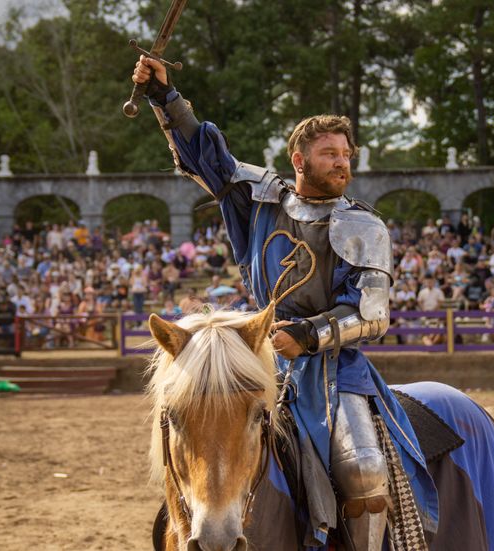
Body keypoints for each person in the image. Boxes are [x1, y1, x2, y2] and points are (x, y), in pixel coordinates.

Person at [132, 56, 433, 549]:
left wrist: (309, 334)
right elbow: (208, 157)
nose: (341, 163)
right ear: (300, 160)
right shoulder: (260, 200)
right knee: (204, 433)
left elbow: (373, 315)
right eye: (330, 153)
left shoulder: (365, 226)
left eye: (345, 155)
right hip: (260, 355)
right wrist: (164, 97)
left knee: (363, 468)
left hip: (335, 370)